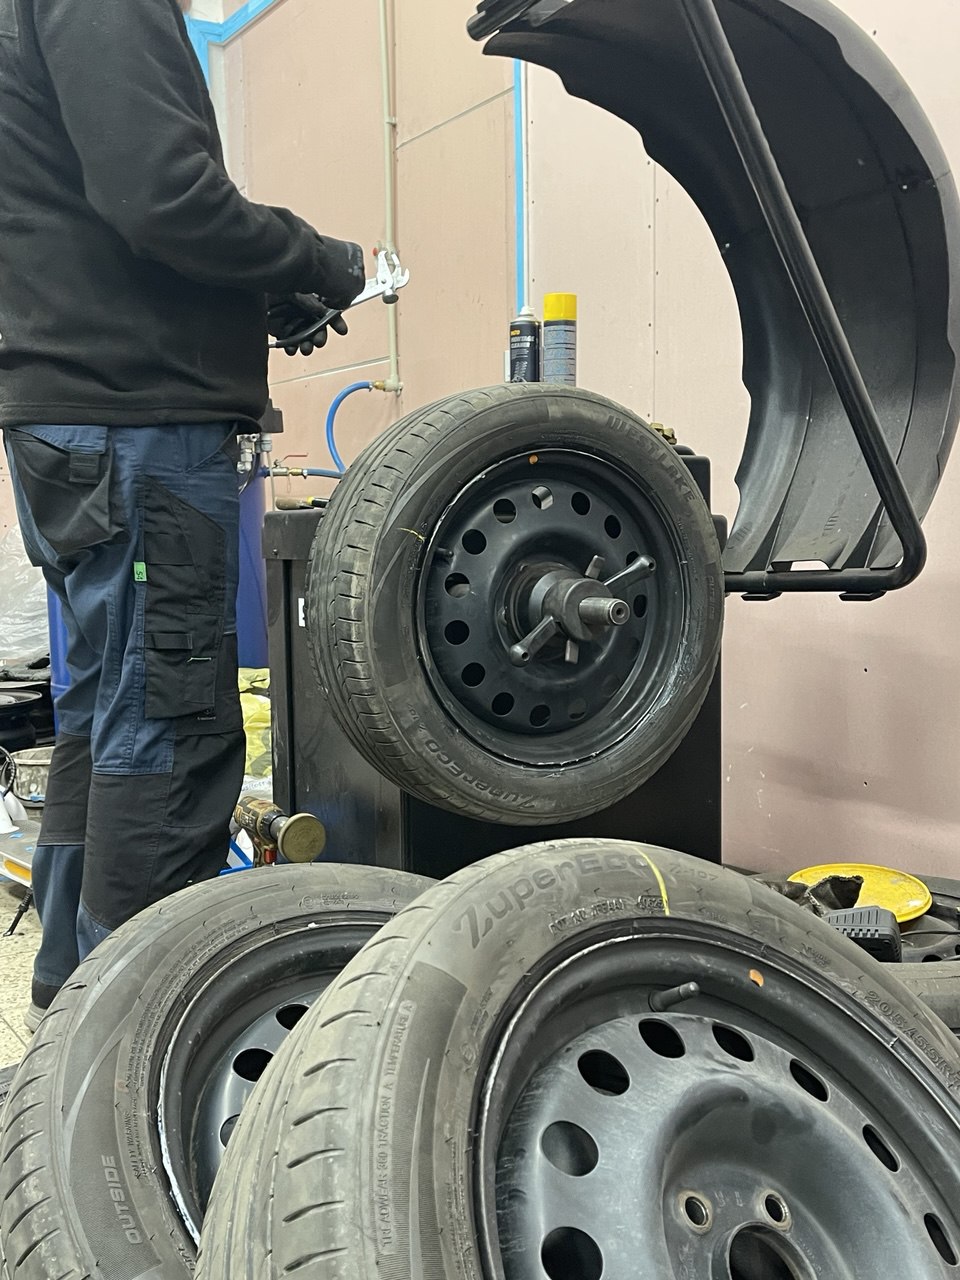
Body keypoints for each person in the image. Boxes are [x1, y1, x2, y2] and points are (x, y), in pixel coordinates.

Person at [0, 0, 366, 1030]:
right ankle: (135, 1049)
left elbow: (95, 216)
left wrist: (254, 293)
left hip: (79, 421)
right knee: (167, 725)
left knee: (103, 719)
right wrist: (315, 258)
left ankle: (70, 999)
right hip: (140, 426)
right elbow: (161, 197)